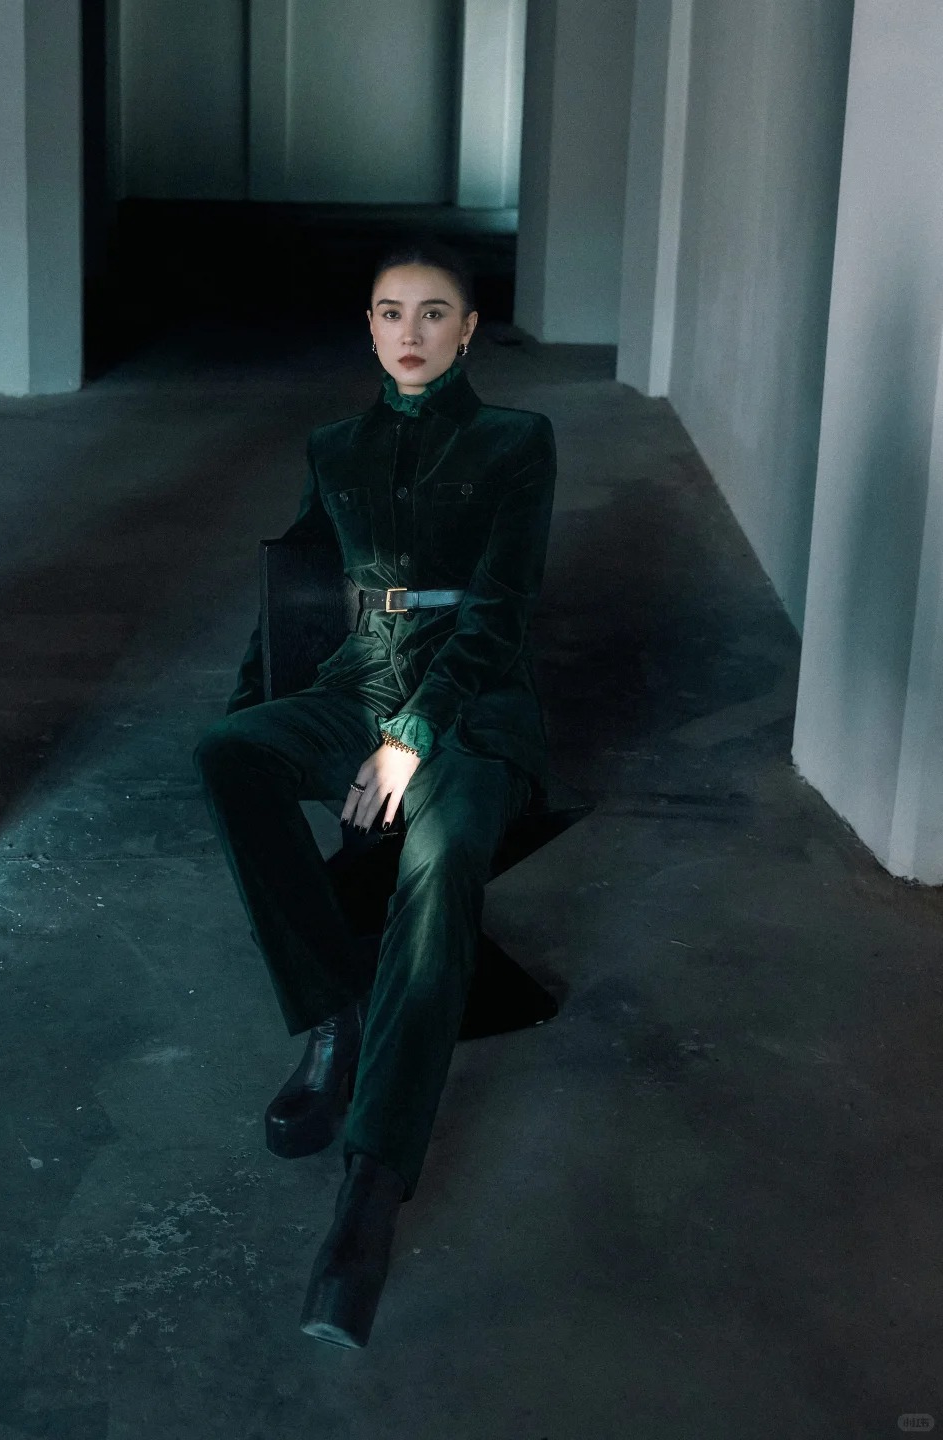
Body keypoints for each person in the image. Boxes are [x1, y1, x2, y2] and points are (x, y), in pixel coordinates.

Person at [193, 237, 557, 1348]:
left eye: (434, 312)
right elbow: (292, 580)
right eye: (391, 312)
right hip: (357, 687)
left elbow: (499, 614)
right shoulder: (336, 447)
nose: (410, 331)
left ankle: (371, 1194)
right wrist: (256, 706)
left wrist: (408, 739)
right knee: (228, 754)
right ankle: (334, 1013)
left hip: (472, 708)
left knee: (438, 870)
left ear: (468, 330)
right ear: (368, 327)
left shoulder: (517, 442)